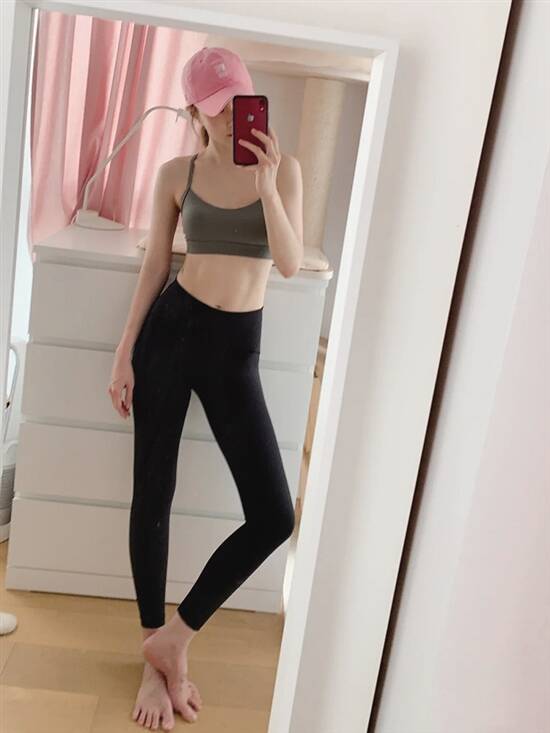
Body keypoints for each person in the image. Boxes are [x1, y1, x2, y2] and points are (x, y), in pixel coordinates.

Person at [108, 46, 303, 730]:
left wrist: (269, 186)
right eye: (216, 110)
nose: (229, 119)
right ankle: (152, 656)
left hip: (236, 351)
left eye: (238, 104)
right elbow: (155, 267)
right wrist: (125, 352)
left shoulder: (283, 170)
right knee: (152, 495)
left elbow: (289, 262)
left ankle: (175, 637)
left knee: (273, 515)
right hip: (173, 335)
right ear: (194, 111)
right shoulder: (176, 173)